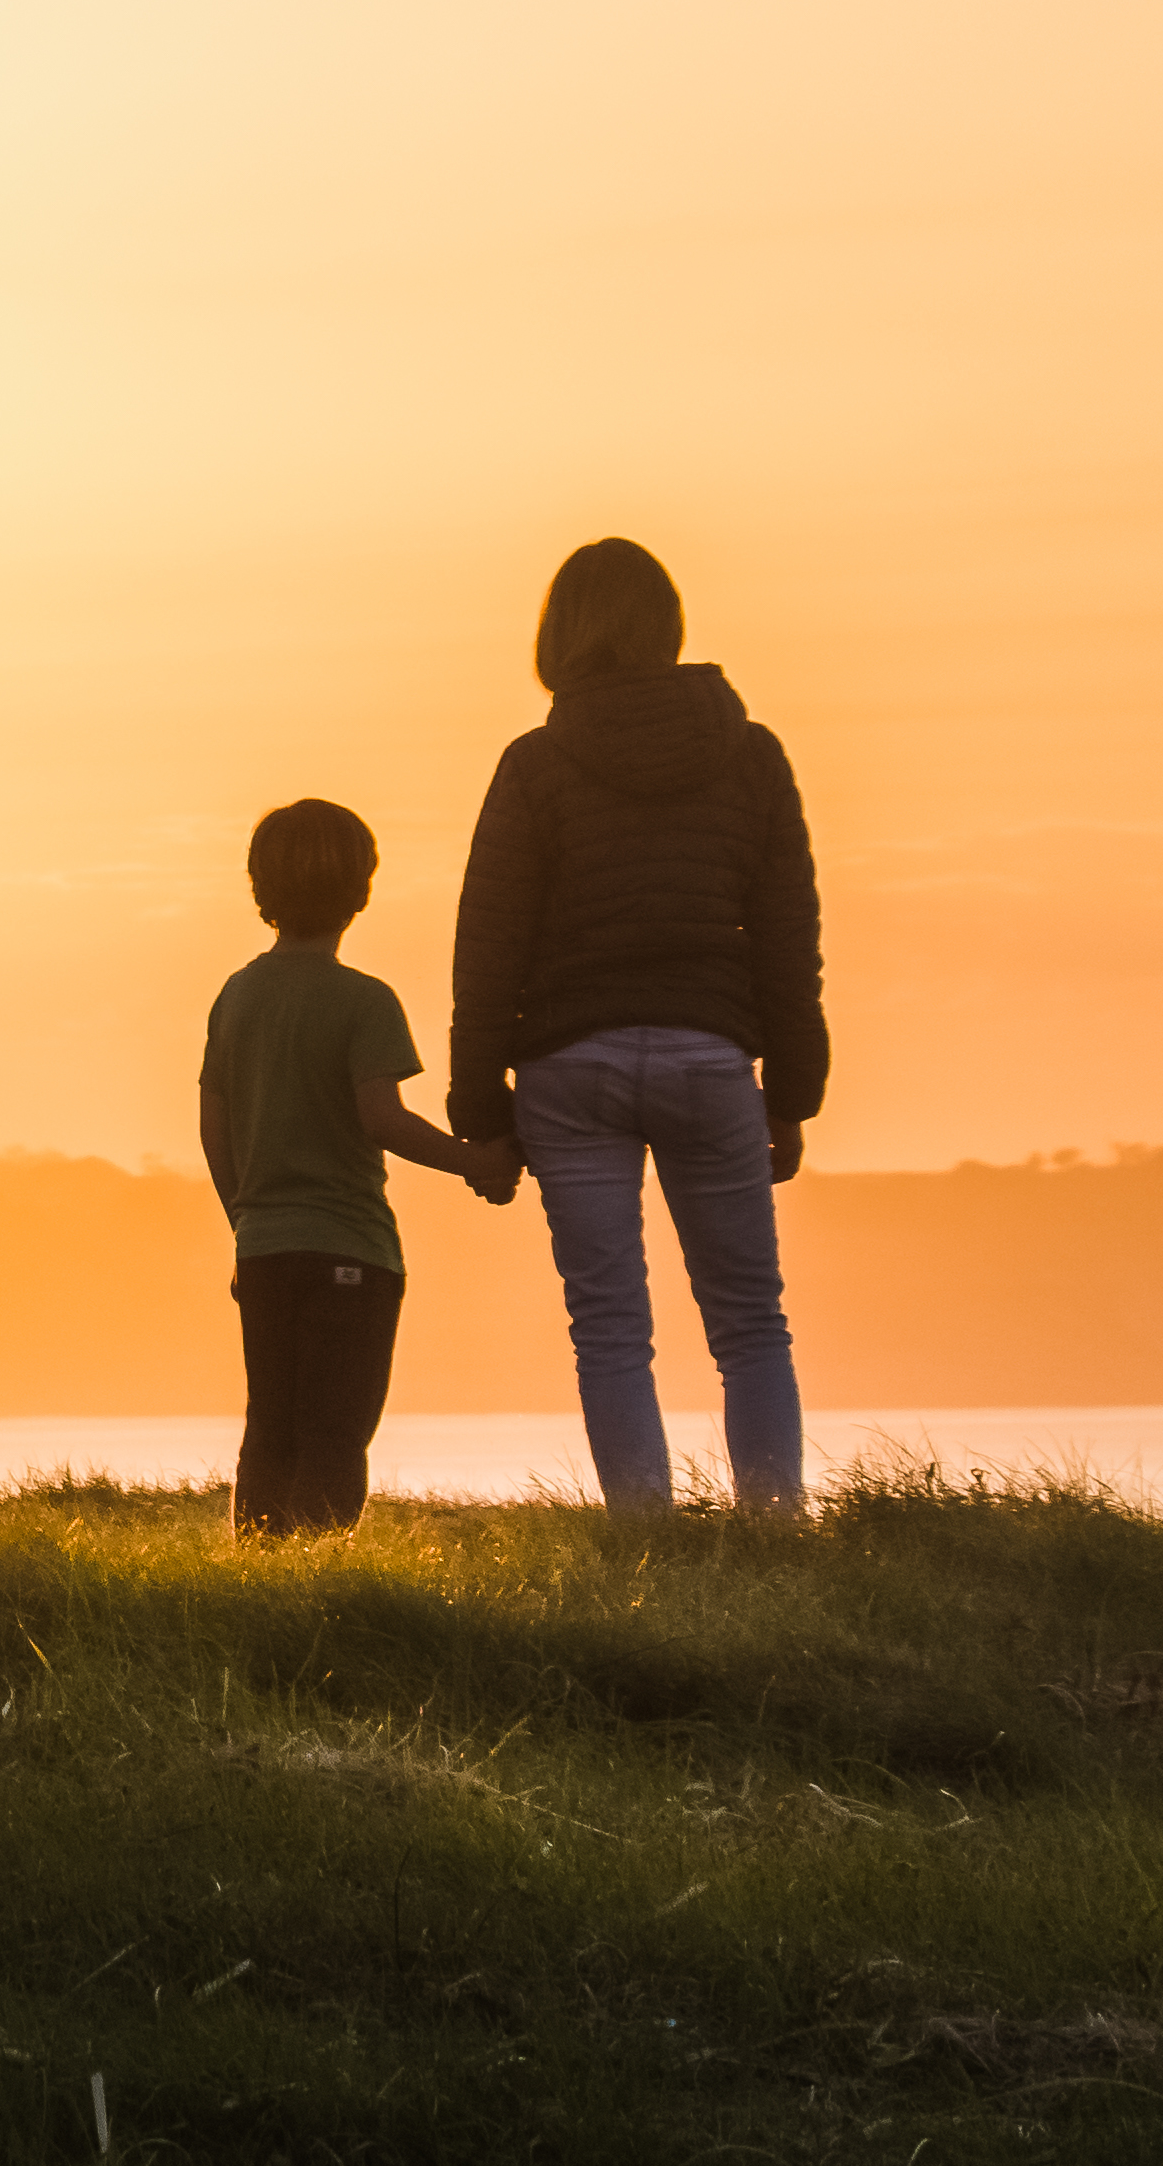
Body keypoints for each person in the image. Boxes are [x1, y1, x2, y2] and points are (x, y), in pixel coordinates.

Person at [447, 536, 828, 1514]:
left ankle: (645, 1542)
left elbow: (487, 948)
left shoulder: (534, 767)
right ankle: (774, 1531)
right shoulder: (753, 756)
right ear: (669, 625)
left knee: (610, 1325)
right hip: (709, 1056)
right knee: (751, 1322)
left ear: (560, 634)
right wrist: (791, 1097)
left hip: (570, 1065)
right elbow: (788, 941)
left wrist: (480, 1109)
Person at [197, 798, 509, 1537]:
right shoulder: (364, 1002)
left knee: (271, 1424)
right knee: (336, 1430)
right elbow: (383, 1119)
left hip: (265, 1247)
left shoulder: (236, 997)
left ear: (258, 887)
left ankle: (262, 1570)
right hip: (351, 1250)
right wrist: (475, 1163)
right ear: (361, 890)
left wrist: (246, 1220)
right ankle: (320, 1577)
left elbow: (216, 1130)